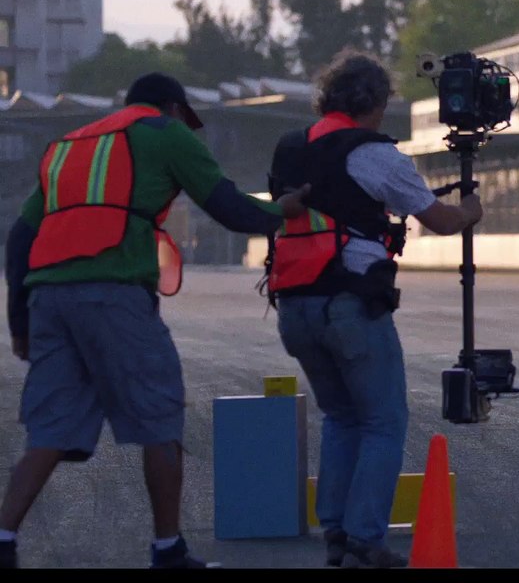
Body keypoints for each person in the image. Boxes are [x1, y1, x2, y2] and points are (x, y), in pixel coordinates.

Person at [1, 72, 311, 569]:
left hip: (48, 298)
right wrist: (281, 210)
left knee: (50, 430)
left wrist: (19, 323)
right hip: (115, 292)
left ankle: (3, 538)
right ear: (171, 107)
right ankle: (168, 550)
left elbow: (20, 241)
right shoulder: (166, 134)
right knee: (159, 415)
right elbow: (227, 207)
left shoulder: (68, 144)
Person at [263, 49, 482, 569]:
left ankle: (336, 531)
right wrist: (472, 208)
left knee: (340, 416)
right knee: (384, 420)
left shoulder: (290, 147)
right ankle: (364, 536)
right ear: (377, 103)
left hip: (294, 302)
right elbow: (443, 220)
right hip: (349, 303)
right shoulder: (372, 152)